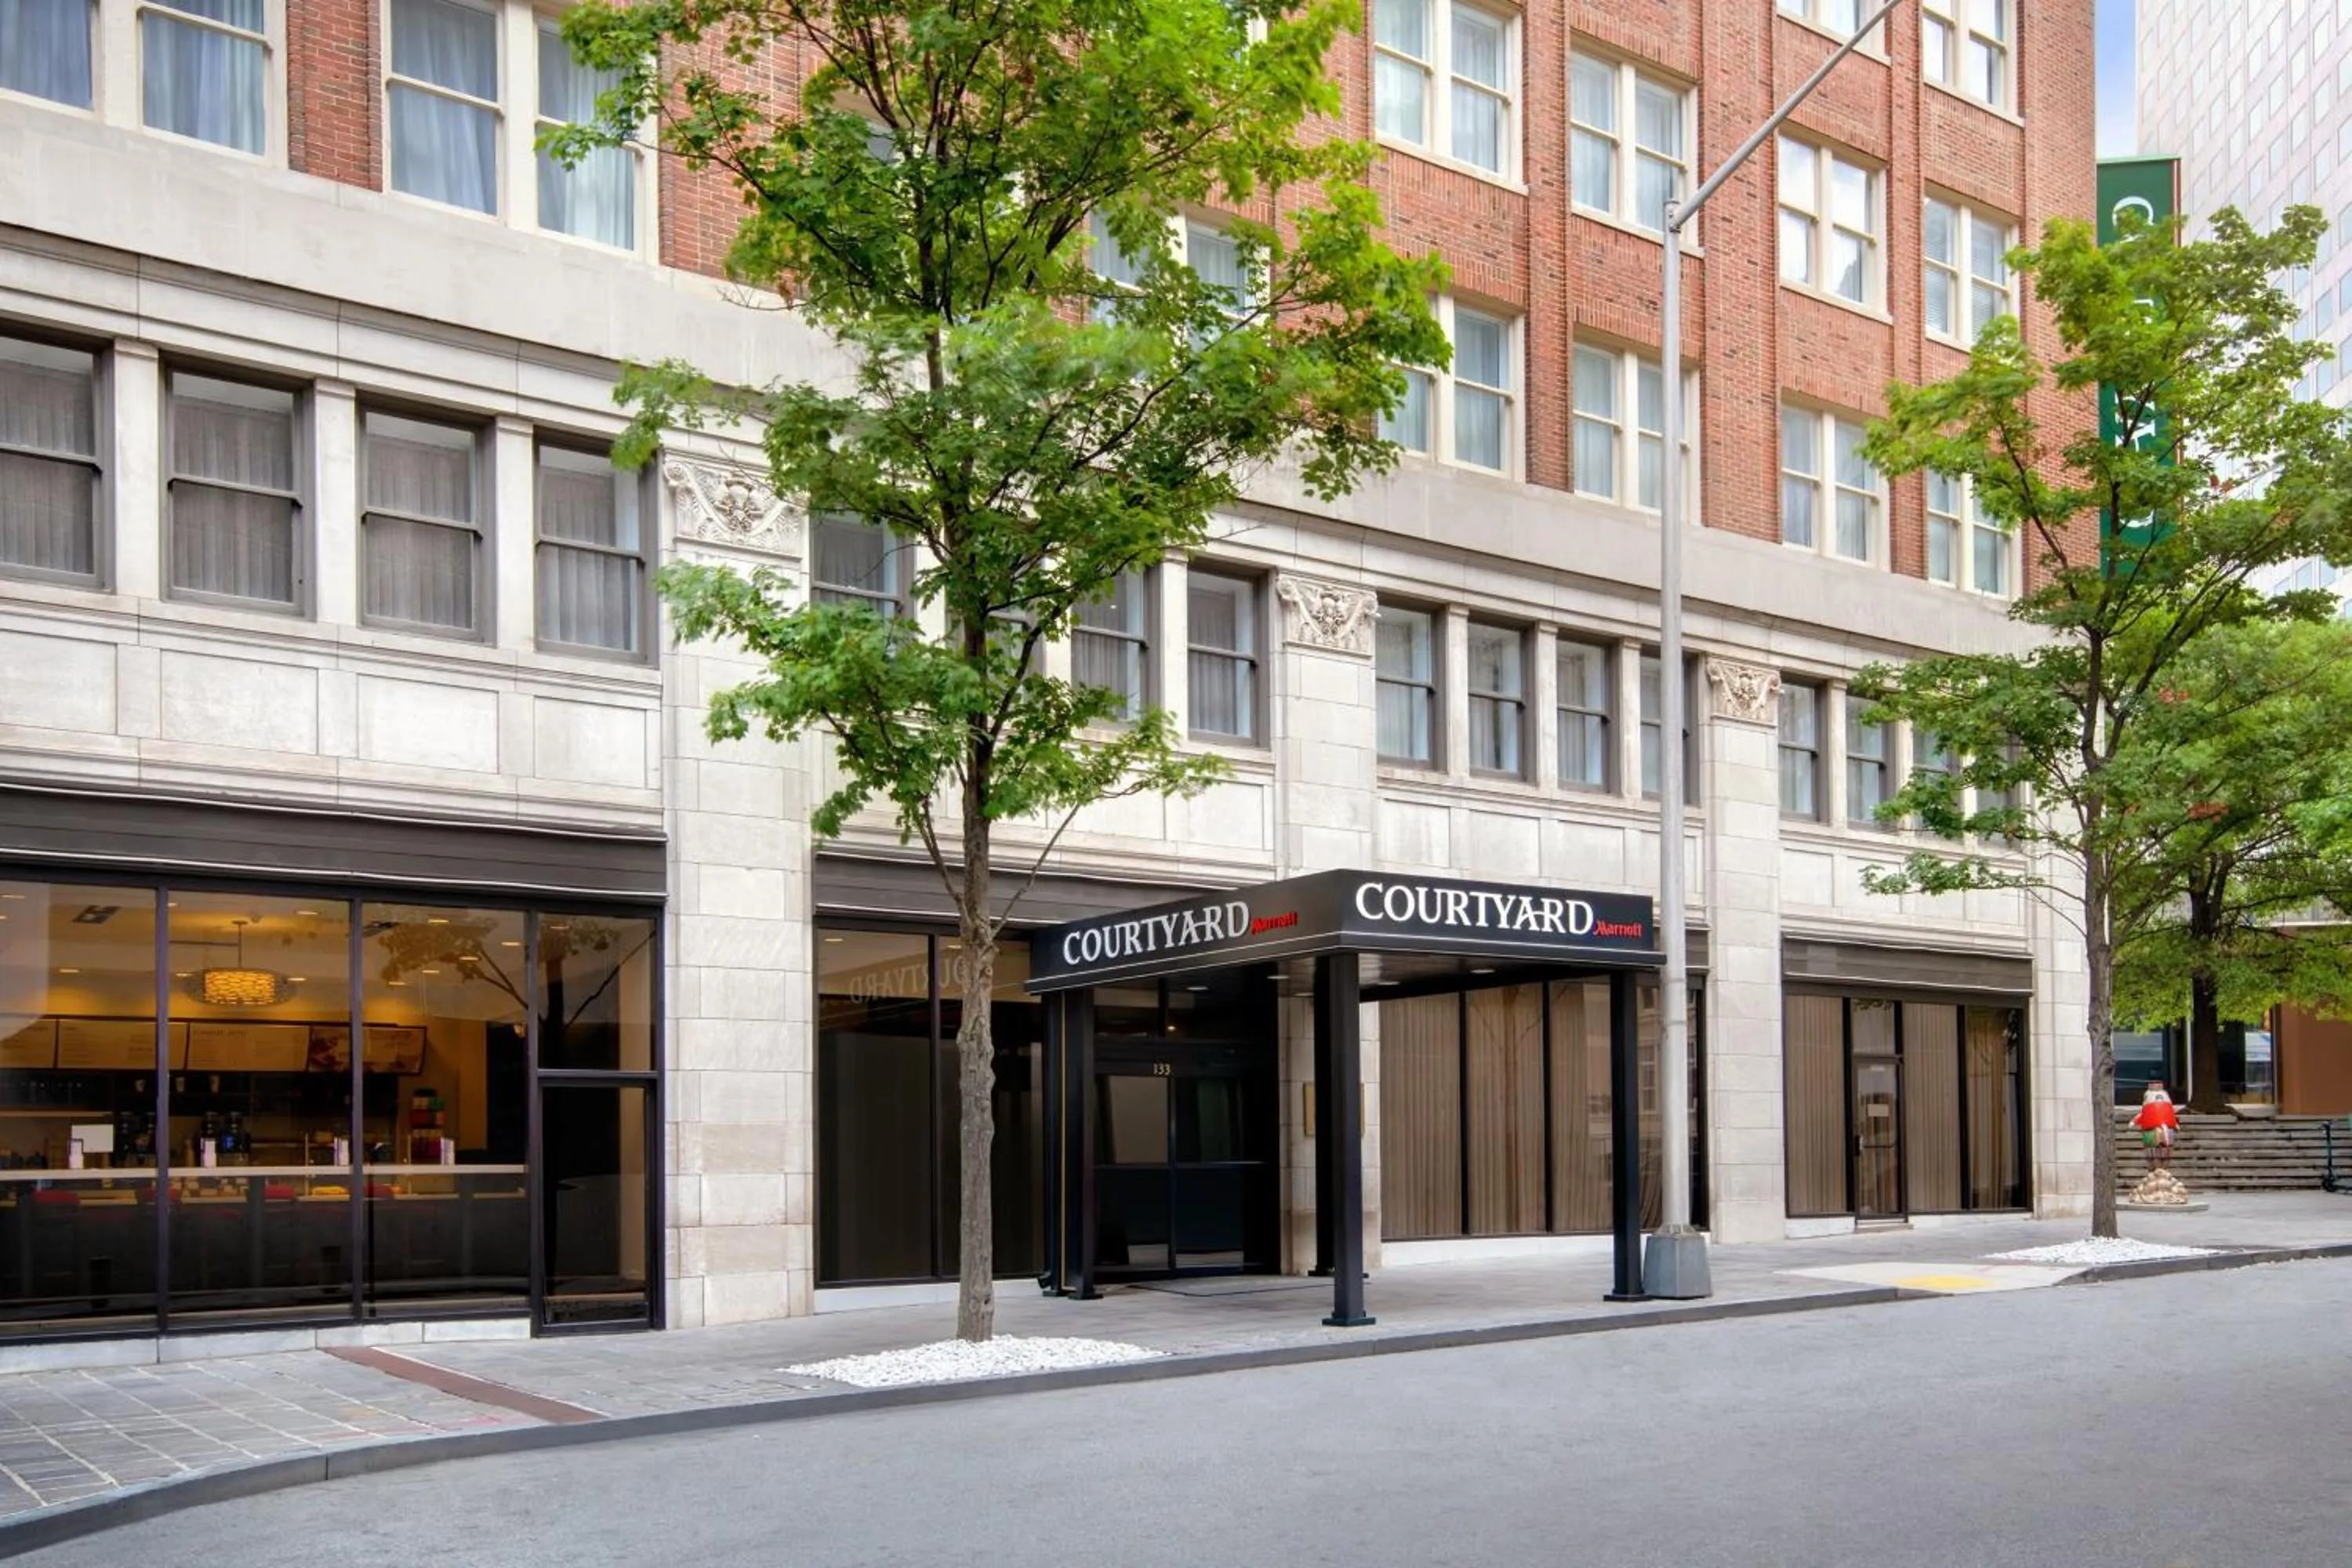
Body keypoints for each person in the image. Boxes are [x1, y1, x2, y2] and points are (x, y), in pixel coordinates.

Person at [2132, 1081, 2180, 1172]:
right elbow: (2142, 1115)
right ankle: (2155, 1170)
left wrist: (2174, 1123)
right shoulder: (2148, 1096)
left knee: (2166, 1148)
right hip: (2150, 1130)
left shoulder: (2165, 1097)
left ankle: (2163, 1170)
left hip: (2167, 1129)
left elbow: (2172, 1115)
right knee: (2153, 1150)